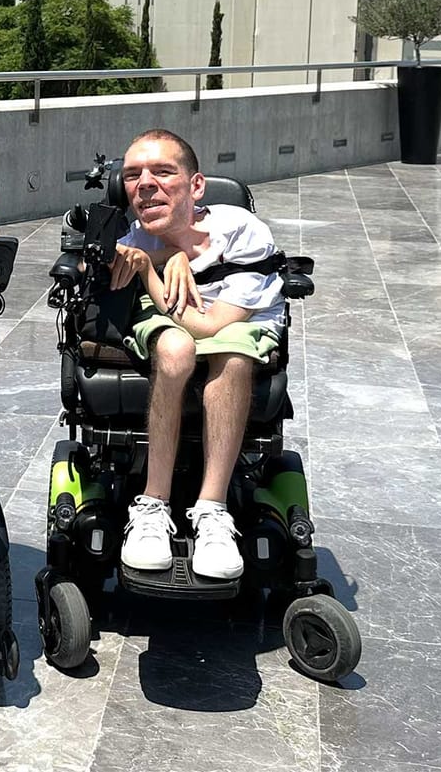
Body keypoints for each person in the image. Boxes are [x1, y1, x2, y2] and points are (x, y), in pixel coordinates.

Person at [107, 128, 285, 581]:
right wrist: (164, 258)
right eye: (132, 175)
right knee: (175, 348)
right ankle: (152, 504)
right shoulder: (131, 238)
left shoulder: (243, 231)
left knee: (232, 355)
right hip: (174, 319)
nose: (145, 183)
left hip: (236, 320)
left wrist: (161, 262)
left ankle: (212, 511)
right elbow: (123, 274)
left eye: (163, 172)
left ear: (196, 186)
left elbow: (211, 325)